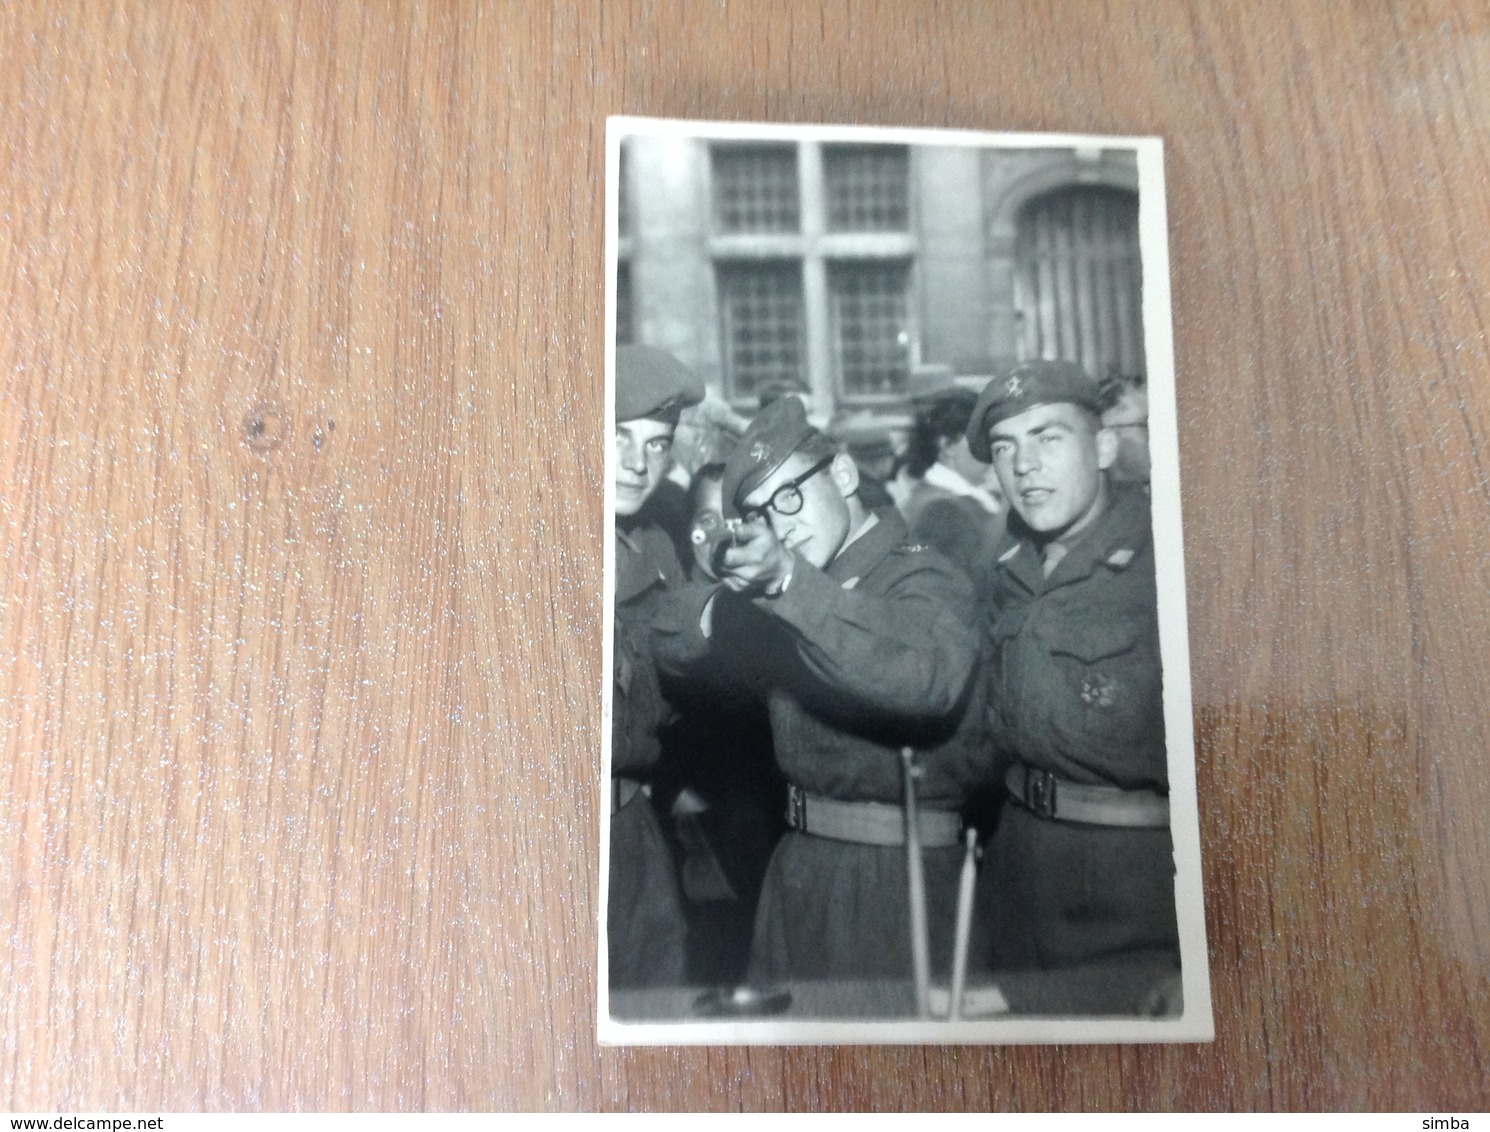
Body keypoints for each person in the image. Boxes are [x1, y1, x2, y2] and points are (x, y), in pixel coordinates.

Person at [654, 397, 989, 985]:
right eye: (761, 513)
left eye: (790, 496)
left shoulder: (922, 575)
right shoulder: (798, 585)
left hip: (896, 876)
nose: (782, 526)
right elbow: (663, 636)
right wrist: (728, 596)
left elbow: (923, 677)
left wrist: (785, 582)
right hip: (798, 868)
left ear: (842, 474)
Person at [965, 359, 1179, 1011]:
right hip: (1020, 879)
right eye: (1005, 448)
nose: (1024, 466)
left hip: (1137, 903)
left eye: (1048, 438)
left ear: (1105, 446)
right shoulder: (1007, 571)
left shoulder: (1167, 564)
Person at [609, 344, 704, 990]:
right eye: (617, 436)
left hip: (634, 826)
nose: (638, 463)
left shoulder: (657, 553)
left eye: (657, 443)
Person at [897, 386, 1007, 598]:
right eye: (979, 442)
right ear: (947, 446)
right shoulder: (942, 512)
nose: (990, 454)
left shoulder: (934, 497)